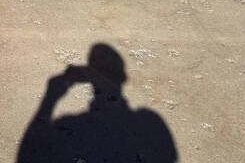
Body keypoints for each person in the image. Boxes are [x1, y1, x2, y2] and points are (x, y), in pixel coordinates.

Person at [17, 43, 177, 162]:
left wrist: (49, 98)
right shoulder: (149, 121)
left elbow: (26, 155)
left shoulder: (68, 123)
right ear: (122, 77)